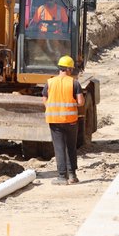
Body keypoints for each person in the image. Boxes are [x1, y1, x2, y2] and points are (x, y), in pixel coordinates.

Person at [42, 55, 85, 185]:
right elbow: (81, 102)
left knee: (59, 147)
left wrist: (53, 108)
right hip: (70, 120)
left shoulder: (49, 82)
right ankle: (72, 176)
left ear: (59, 68)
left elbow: (44, 99)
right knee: (71, 147)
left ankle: (61, 177)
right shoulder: (74, 83)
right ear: (69, 69)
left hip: (54, 120)